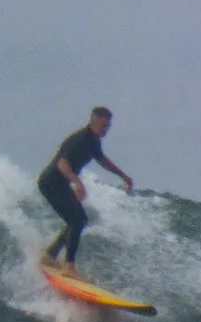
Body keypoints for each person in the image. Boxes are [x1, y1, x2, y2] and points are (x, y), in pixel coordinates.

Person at [37, 106, 134, 270]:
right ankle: (69, 266)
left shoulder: (94, 141)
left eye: (108, 127)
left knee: (79, 219)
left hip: (59, 184)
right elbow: (62, 163)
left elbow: (102, 160)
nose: (106, 130)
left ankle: (50, 255)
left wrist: (123, 176)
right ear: (93, 121)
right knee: (76, 220)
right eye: (103, 126)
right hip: (50, 182)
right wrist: (77, 182)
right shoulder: (81, 138)